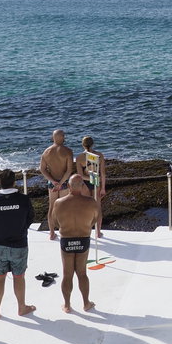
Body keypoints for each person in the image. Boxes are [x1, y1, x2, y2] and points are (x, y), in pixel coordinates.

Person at [0, 169, 35, 318]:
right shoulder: (23, 200)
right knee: (19, 277)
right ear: (14, 182)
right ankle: (21, 307)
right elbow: (30, 218)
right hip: (19, 245)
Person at [52, 174, 99, 313]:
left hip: (66, 239)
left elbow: (55, 222)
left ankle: (67, 305)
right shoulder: (91, 202)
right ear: (83, 186)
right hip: (83, 239)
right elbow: (95, 220)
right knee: (82, 273)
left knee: (67, 275)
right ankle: (86, 303)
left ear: (68, 186)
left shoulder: (59, 203)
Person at [40, 128, 74, 241]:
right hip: (63, 182)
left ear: (53, 138)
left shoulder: (46, 152)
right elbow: (69, 171)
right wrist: (60, 183)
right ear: (63, 137)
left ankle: (51, 233)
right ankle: (66, 231)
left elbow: (43, 169)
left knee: (51, 208)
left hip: (52, 183)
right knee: (65, 208)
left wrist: (53, 182)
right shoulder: (68, 151)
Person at [75, 136, 107, 238]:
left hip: (84, 183)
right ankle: (98, 232)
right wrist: (103, 188)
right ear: (93, 144)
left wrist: (89, 179)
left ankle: (85, 231)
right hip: (96, 183)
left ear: (82, 145)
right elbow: (103, 173)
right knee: (97, 208)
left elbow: (80, 175)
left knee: (85, 209)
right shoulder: (99, 155)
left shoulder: (79, 157)